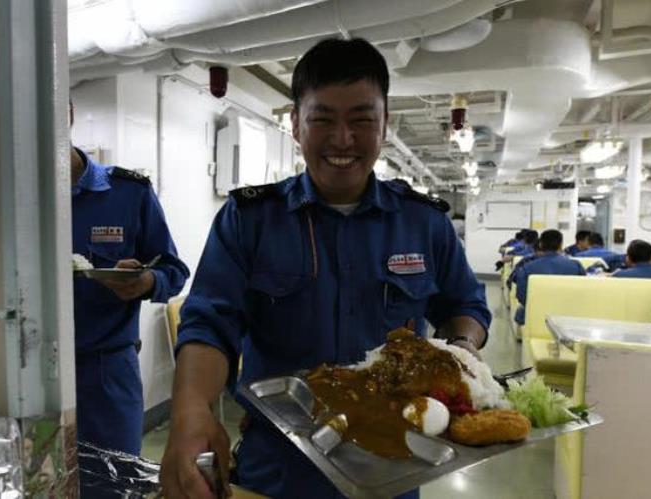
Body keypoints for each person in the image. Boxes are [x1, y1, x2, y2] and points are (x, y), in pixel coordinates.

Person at [160, 38, 491, 499]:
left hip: (393, 464)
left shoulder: (424, 223)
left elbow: (465, 306)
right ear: (296, 124)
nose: (342, 139)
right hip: (278, 468)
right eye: (322, 119)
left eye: (361, 120)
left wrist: (459, 350)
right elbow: (210, 325)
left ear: (385, 124)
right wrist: (190, 409)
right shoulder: (250, 221)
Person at [69, 102, 190, 488]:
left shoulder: (127, 192)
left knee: (113, 485)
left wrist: (147, 282)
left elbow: (175, 270)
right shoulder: (7, 194)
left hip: (105, 371)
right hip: (27, 370)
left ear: (68, 113)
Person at [514, 229, 585, 325]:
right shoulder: (576, 266)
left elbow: (521, 296)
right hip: (569, 315)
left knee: (520, 311)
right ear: (561, 245)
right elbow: (582, 293)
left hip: (535, 316)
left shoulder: (527, 268)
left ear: (540, 244)